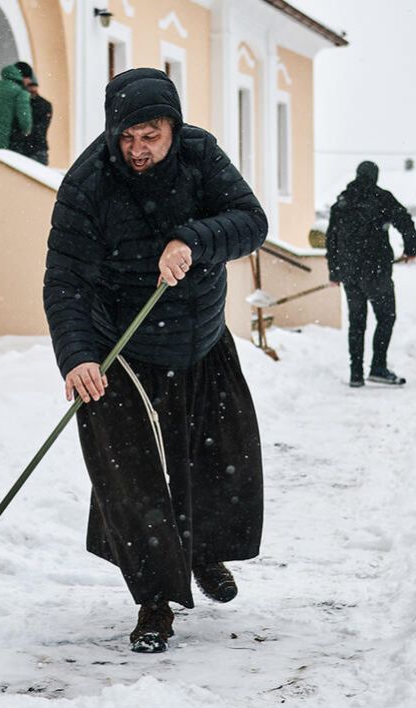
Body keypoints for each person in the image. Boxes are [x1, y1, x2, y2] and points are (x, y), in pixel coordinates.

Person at [43, 68, 267, 654]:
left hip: (200, 337)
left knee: (217, 459)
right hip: (123, 350)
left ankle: (203, 551)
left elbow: (251, 222)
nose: (138, 150)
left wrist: (193, 239)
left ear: (173, 127)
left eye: (151, 136)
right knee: (130, 479)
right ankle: (152, 600)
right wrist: (77, 357)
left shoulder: (200, 156)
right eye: (128, 138)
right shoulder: (88, 185)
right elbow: (65, 281)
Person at [325, 161, 416, 387]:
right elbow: (404, 220)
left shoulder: (341, 202)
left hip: (349, 273)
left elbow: (331, 239)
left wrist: (335, 272)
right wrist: (411, 249)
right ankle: (378, 366)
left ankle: (355, 374)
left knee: (357, 322)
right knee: (386, 317)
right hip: (376, 269)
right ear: (375, 176)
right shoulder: (382, 198)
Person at [9, 62, 53, 165]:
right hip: (32, 150)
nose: (32, 90)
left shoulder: (42, 104)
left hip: (30, 151)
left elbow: (36, 130)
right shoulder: (42, 104)